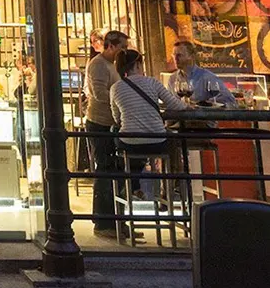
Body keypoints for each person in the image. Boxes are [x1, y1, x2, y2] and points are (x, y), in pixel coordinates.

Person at [110, 49, 190, 211]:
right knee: (171, 140)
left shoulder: (115, 88)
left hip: (130, 143)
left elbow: (117, 118)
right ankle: (168, 188)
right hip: (157, 142)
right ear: (138, 65)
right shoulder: (152, 82)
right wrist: (189, 105)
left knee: (117, 133)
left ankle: (130, 184)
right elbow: (176, 106)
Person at [84, 30, 129, 237]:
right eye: (122, 47)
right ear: (110, 45)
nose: (124, 51)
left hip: (112, 122)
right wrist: (120, 99)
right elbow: (97, 92)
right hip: (100, 123)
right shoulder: (98, 64)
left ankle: (115, 221)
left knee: (114, 170)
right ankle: (103, 223)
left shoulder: (112, 65)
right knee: (104, 170)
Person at [166, 43, 236, 107]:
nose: (175, 59)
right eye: (174, 55)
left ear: (191, 56)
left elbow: (230, 99)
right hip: (180, 119)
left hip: (202, 119)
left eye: (179, 55)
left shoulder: (207, 77)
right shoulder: (172, 79)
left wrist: (205, 103)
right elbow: (168, 103)